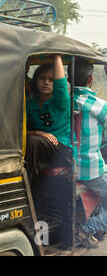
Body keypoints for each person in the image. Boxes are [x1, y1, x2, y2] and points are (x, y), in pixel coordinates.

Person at [69, 58, 107, 246]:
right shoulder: (100, 105)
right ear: (90, 80)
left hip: (68, 166)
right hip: (91, 170)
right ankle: (86, 229)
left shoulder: (62, 101)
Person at [25, 55, 72, 182]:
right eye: (42, 78)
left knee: (33, 141)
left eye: (51, 80)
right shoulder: (30, 104)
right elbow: (20, 131)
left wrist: (57, 57)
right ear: (35, 80)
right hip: (40, 148)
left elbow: (61, 86)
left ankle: (27, 182)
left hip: (61, 149)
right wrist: (39, 133)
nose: (46, 82)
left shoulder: (60, 102)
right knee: (30, 140)